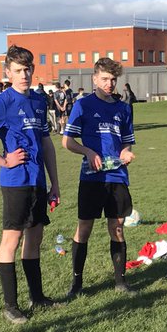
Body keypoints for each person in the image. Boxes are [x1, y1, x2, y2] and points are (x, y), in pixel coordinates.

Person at [0, 44, 60, 323]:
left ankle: (37, 297)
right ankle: (10, 305)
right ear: (8, 72)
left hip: (37, 181)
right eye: (18, 70)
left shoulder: (38, 100)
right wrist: (4, 160)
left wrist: (54, 183)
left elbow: (46, 143)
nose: (24, 75)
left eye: (28, 69)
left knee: (35, 238)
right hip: (15, 182)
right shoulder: (2, 102)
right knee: (11, 239)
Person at [62, 57, 136, 297]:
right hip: (92, 178)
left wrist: (126, 152)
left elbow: (126, 141)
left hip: (117, 176)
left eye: (113, 79)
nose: (109, 83)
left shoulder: (123, 108)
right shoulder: (83, 105)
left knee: (117, 228)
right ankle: (77, 284)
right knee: (84, 228)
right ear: (94, 78)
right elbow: (67, 141)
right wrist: (88, 151)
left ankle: (121, 282)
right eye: (105, 79)